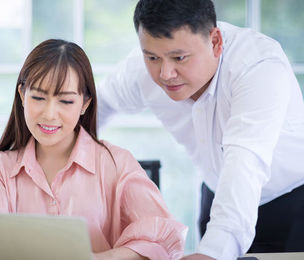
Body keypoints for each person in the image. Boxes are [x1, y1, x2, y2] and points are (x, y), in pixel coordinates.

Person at [97, 0, 304, 259]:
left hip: (293, 202)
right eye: (152, 57)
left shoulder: (257, 67)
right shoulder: (141, 69)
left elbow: (244, 163)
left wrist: (212, 253)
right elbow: (97, 105)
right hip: (218, 194)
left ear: (215, 41)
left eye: (179, 58)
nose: (165, 73)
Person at [0, 39, 186, 260]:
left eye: (65, 101)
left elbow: (161, 240)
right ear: (22, 96)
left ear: (85, 103)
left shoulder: (116, 163)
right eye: (38, 97)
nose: (49, 114)